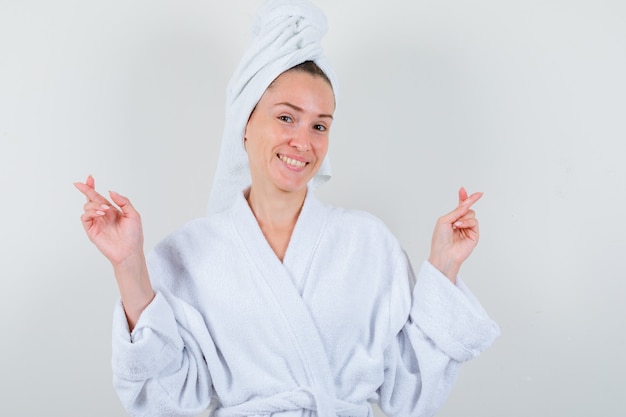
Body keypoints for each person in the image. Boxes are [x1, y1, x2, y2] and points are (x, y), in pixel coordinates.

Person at [75, 1, 499, 416]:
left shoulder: (368, 243)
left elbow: (410, 395)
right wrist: (128, 262)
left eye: (319, 125)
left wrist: (444, 266)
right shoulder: (188, 253)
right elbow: (167, 402)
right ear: (246, 122)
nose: (303, 141)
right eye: (286, 118)